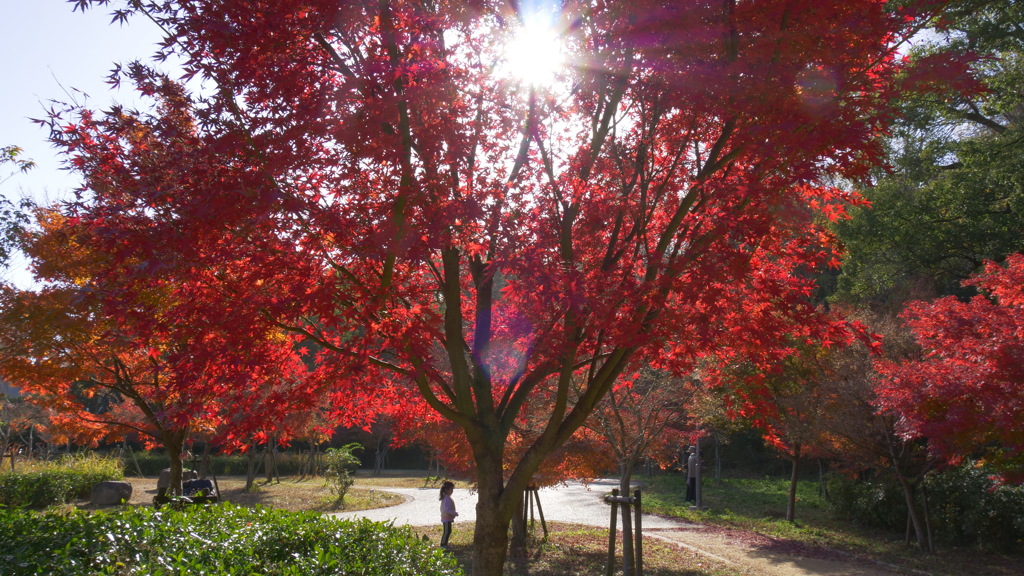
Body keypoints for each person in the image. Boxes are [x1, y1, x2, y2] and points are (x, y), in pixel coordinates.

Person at [439, 481, 458, 548]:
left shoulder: (447, 498)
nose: (452, 491)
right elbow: (447, 509)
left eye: (452, 489)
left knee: (448, 531)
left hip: (448, 518)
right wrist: (454, 513)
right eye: (451, 489)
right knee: (446, 532)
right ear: (446, 490)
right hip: (446, 518)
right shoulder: (446, 499)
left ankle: (445, 544)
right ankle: (443, 544)